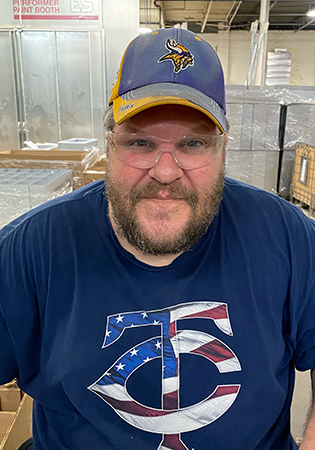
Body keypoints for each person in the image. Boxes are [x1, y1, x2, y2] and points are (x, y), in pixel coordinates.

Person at [0, 27, 314, 450]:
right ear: (109, 145)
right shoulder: (31, 249)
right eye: (141, 142)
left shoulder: (287, 237)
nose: (165, 171)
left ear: (223, 149)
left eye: (193, 143)